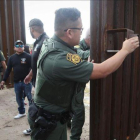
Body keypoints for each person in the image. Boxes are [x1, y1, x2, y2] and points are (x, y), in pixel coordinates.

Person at [27, 8, 139, 140]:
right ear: (69, 32)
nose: (81, 33)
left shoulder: (53, 43)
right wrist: (125, 50)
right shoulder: (59, 60)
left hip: (53, 117)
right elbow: (103, 70)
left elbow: (71, 58)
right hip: (49, 121)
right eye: (80, 29)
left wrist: (82, 63)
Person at [23, 18, 49, 135]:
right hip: (36, 81)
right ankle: (34, 126)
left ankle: (37, 129)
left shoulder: (45, 41)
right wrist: (30, 75)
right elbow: (36, 63)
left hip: (42, 84)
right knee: (35, 108)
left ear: (32, 28)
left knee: (38, 108)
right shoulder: (37, 42)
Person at [0, 40, 32, 119]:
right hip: (17, 82)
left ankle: (32, 114)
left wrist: (31, 77)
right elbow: (8, 70)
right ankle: (22, 112)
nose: (19, 47)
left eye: (21, 46)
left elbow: (33, 68)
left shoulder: (28, 56)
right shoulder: (11, 58)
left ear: (23, 47)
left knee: (30, 98)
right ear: (14, 48)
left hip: (27, 82)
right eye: (17, 46)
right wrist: (3, 80)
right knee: (18, 98)